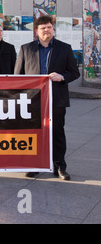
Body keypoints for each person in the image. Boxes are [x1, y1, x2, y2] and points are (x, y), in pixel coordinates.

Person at [14, 15, 80, 180]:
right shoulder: (26, 49)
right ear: (36, 31)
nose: (47, 30)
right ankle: (33, 165)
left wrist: (62, 76)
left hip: (56, 98)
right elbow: (18, 76)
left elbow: (74, 72)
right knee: (34, 134)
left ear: (53, 29)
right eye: (43, 28)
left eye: (49, 27)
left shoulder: (64, 48)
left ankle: (60, 167)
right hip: (33, 100)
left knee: (57, 133)